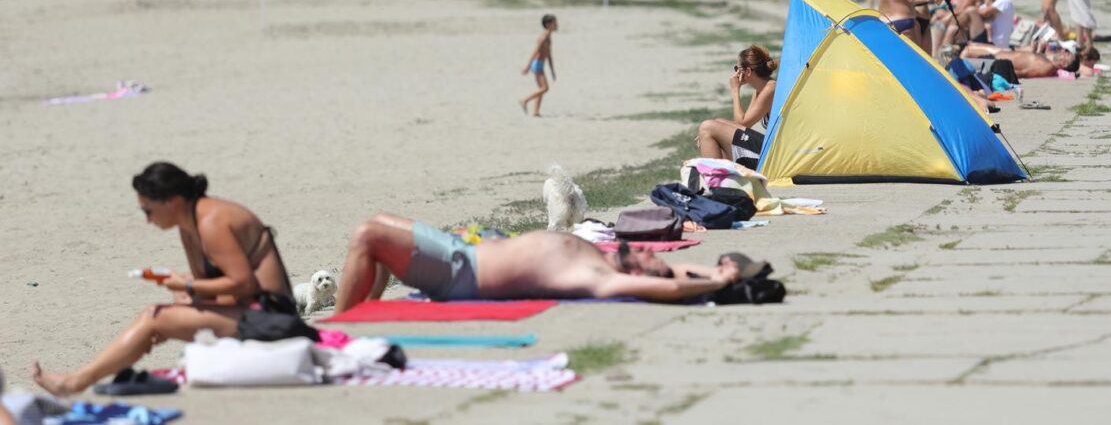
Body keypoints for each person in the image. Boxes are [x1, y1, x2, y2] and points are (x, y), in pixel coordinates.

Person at [33, 163, 294, 396]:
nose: (148, 220)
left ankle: (74, 383)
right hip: (248, 312)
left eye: (149, 211)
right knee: (165, 313)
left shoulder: (211, 221)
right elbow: (214, 291)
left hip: (273, 318)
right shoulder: (188, 226)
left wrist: (187, 287)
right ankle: (78, 379)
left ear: (172, 202)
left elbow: (243, 283)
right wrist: (187, 300)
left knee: (154, 315)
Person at [333, 218, 744, 312]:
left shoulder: (599, 277)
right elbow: (676, 274)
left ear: (636, 274)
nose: (653, 252)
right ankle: (358, 316)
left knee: (369, 235)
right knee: (377, 245)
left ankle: (336, 327)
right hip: (463, 252)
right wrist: (716, 271)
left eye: (651, 259)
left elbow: (670, 287)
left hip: (461, 270)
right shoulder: (604, 257)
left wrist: (715, 283)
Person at [695, 46, 777, 167]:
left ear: (748, 71)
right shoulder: (762, 89)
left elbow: (742, 123)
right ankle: (721, 177)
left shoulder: (770, 89)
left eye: (737, 68)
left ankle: (718, 179)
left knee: (707, 127)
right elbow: (745, 124)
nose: (735, 73)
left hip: (776, 155)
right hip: (773, 147)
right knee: (717, 123)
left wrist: (735, 90)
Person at [942, 0, 1014, 49]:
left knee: (971, 10)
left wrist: (978, 6)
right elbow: (981, 10)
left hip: (996, 43)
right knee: (953, 30)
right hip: (987, 37)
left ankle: (950, 24)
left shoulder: (1004, 1)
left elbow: (984, 12)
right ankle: (941, 54)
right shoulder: (993, 3)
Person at [961, 42, 1088, 79]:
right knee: (968, 47)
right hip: (997, 56)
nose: (1064, 51)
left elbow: (1022, 72)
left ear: (1064, 64)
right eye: (1066, 51)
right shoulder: (1047, 62)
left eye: (1067, 54)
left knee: (967, 51)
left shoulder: (1046, 67)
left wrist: (994, 71)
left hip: (993, 63)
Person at [520, 14, 558, 117]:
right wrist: (527, 66)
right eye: (555, 23)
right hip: (537, 64)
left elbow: (549, 55)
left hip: (541, 64)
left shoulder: (549, 37)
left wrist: (552, 70)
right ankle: (524, 100)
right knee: (545, 88)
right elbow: (535, 51)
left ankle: (536, 112)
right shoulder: (544, 37)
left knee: (541, 88)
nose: (557, 25)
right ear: (548, 24)